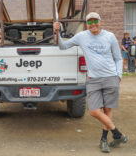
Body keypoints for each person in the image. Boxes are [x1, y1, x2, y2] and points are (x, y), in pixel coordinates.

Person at [54, 12, 128, 153]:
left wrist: (119, 75)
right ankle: (117, 133)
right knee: (94, 111)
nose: (93, 24)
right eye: (90, 22)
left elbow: (118, 58)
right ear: (87, 24)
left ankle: (104, 140)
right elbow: (63, 46)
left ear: (100, 22)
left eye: (95, 21)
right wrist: (56, 32)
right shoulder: (82, 37)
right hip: (93, 79)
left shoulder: (110, 36)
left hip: (110, 77)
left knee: (107, 110)